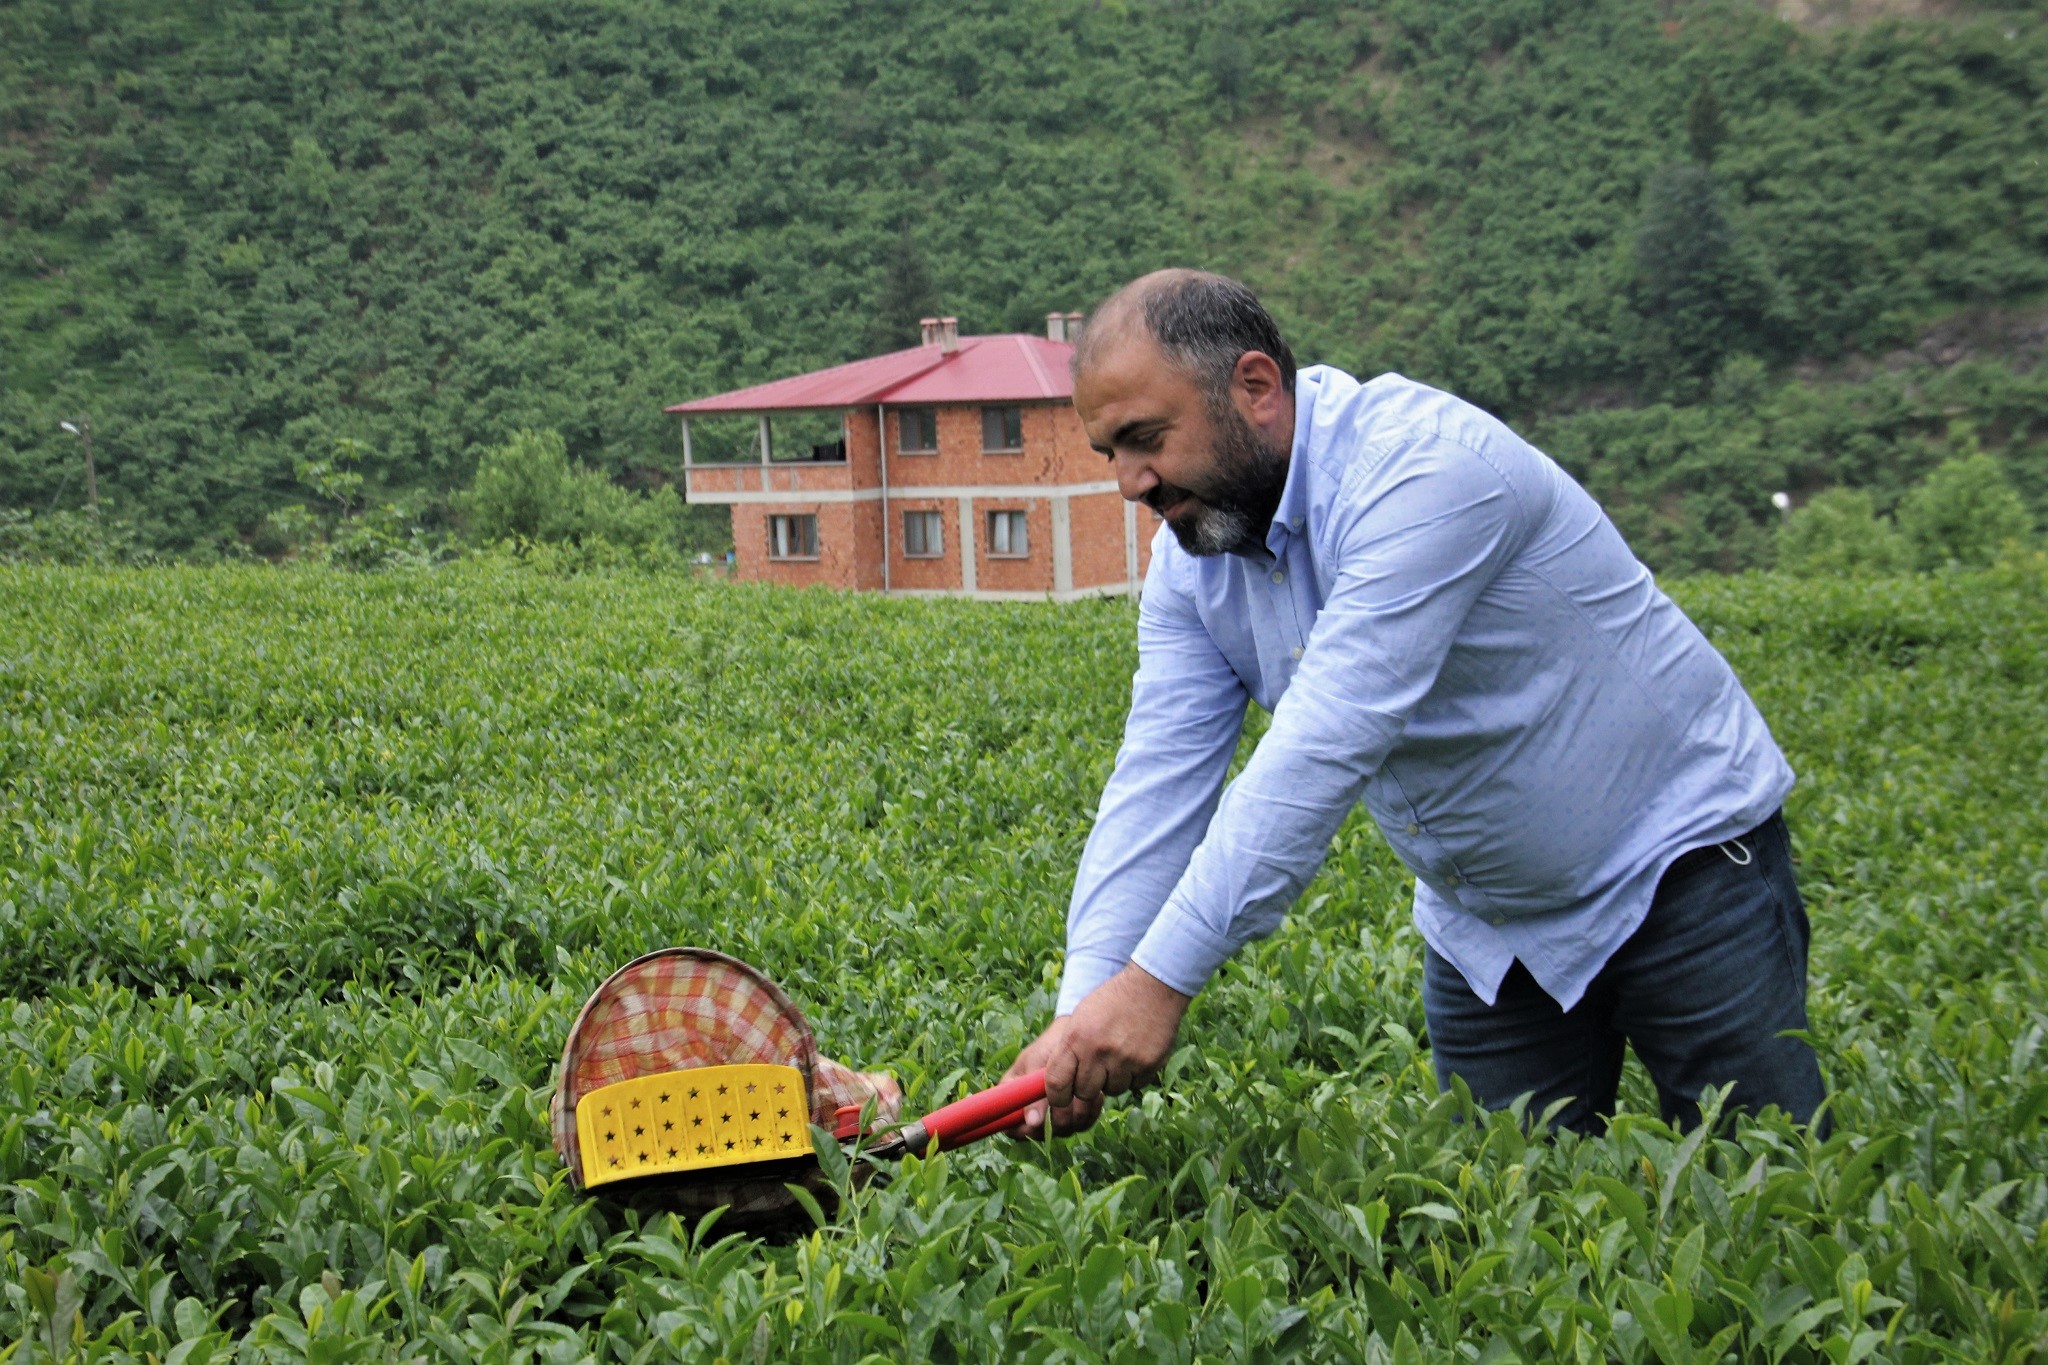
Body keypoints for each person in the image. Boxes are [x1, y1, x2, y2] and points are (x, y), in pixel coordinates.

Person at [1004, 269, 1825, 1138]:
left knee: (1764, 1197)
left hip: (1680, 874)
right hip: (1489, 931)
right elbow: (1157, 784)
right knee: (1512, 1229)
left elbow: (1321, 746)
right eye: (1111, 454)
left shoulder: (1424, 471)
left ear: (1254, 387)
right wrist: (1083, 1016)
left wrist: (1157, 983)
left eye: (1146, 438)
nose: (1130, 482)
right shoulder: (1194, 559)